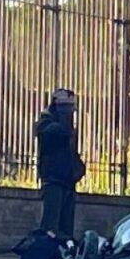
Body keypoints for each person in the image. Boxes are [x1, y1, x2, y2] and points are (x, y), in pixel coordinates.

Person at [34, 87, 85, 237]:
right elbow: (55, 135)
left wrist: (78, 167)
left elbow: (70, 152)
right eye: (68, 108)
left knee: (66, 228)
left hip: (67, 182)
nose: (71, 112)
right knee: (50, 228)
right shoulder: (47, 125)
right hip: (53, 182)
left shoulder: (67, 126)